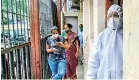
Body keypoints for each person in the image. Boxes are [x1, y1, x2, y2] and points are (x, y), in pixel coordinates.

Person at [85, 4, 123, 79]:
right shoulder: (101, 37)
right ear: (107, 19)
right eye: (110, 16)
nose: (112, 18)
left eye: (116, 15)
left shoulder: (126, 36)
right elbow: (93, 63)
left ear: (121, 17)